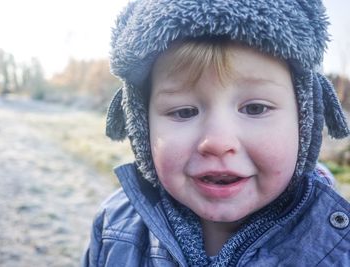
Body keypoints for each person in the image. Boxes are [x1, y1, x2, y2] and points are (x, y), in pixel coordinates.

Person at [83, 0, 350, 266]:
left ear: (305, 121)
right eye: (184, 112)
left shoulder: (338, 249)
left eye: (255, 108)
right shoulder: (114, 227)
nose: (217, 142)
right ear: (142, 127)